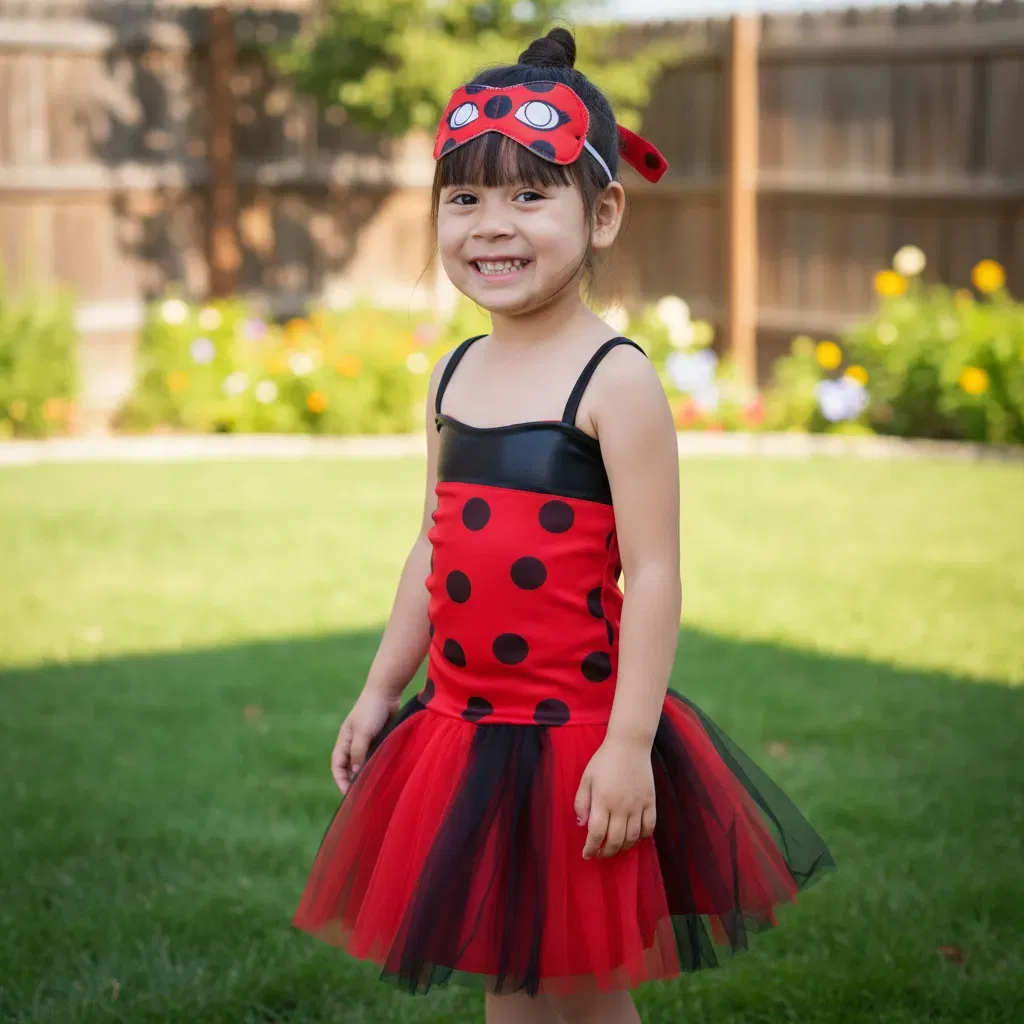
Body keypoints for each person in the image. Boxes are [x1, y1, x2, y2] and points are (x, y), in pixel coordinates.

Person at [292, 26, 836, 1024]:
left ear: (602, 213)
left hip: (574, 740)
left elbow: (656, 574)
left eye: (529, 195)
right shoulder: (453, 373)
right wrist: (379, 690)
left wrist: (629, 743)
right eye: (464, 199)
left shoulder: (613, 380)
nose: (490, 225)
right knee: (512, 968)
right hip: (463, 730)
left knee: (579, 987)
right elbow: (434, 545)